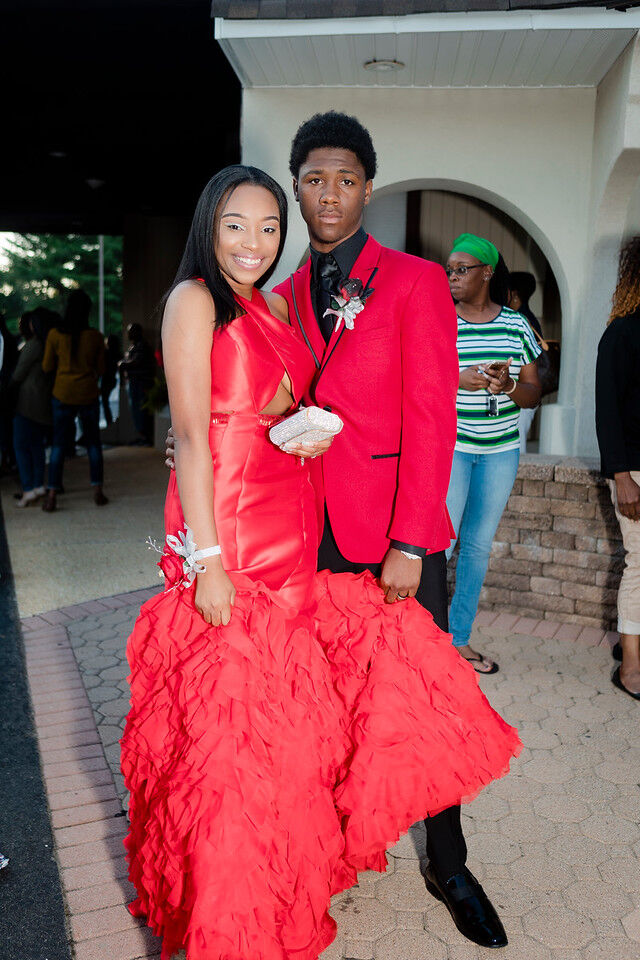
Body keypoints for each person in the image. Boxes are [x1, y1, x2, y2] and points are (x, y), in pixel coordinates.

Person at [124, 164, 521, 960]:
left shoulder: (299, 298)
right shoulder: (203, 297)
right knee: (232, 737)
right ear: (210, 224)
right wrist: (205, 553)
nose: (254, 240)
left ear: (363, 190)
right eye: (237, 224)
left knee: (366, 708)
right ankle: (232, 915)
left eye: (266, 227)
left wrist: (411, 537)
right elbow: (198, 431)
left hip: (331, 534)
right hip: (235, 543)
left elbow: (423, 409)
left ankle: (448, 869)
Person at [446, 234, 541, 673]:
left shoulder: (515, 325)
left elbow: (533, 392)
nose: (452, 276)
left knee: (477, 547)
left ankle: (458, 639)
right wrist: (455, 380)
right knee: (438, 544)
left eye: (461, 269)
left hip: (501, 452)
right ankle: (422, 638)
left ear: (487, 272)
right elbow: (412, 380)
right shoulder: (440, 321)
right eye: (449, 269)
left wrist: (508, 387)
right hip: (454, 450)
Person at [595, 236, 640, 701]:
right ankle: (630, 669)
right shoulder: (623, 332)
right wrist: (621, 476)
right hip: (636, 472)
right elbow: (607, 412)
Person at [41, 289, 108, 511]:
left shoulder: (55, 335)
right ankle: (97, 490)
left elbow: (47, 367)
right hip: (87, 393)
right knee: (93, 444)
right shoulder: (95, 336)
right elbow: (101, 369)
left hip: (62, 392)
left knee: (59, 445)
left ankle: (51, 494)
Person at [11, 308, 54, 506]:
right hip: (43, 401)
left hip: (27, 402)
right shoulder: (49, 343)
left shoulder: (33, 345)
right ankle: (38, 485)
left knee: (20, 445)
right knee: (37, 446)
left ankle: (28, 488)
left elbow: (18, 375)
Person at [508, 271, 542, 453]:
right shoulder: (531, 319)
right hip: (524, 393)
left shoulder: (520, 322)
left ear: (513, 294)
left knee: (516, 445)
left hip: (520, 391)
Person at [119, 322, 155, 444]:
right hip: (135, 383)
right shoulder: (134, 346)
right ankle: (141, 435)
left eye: (131, 331)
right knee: (136, 410)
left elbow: (136, 362)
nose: (128, 334)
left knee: (141, 410)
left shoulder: (142, 346)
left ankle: (145, 437)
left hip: (141, 383)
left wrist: (123, 364)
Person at [0, 314, 19, 475]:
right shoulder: (10, 340)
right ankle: (9, 459)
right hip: (8, 389)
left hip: (6, 388)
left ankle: (7, 460)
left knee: (5, 428)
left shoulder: (6, 341)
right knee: (7, 427)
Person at [101, 333, 122, 426]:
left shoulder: (106, 353)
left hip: (106, 379)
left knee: (105, 402)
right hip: (112, 379)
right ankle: (110, 422)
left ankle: (109, 422)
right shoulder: (118, 354)